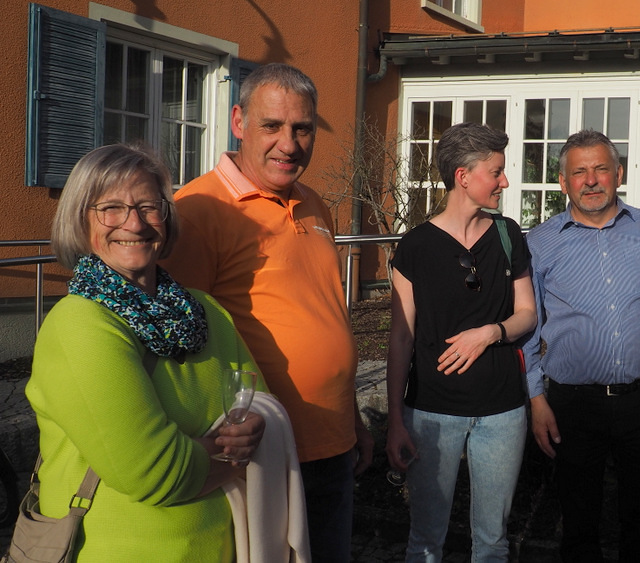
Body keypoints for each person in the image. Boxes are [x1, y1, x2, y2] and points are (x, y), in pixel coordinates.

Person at [160, 63, 373, 562]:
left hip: (332, 441)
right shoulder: (199, 210)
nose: (289, 144)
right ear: (238, 122)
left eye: (302, 128)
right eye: (272, 126)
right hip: (260, 450)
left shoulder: (314, 203)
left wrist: (354, 422)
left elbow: (326, 316)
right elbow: (175, 343)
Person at [26, 144, 266, 561]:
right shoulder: (79, 323)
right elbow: (158, 473)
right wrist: (235, 456)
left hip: (225, 547)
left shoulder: (205, 310)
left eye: (148, 207)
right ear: (80, 221)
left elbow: (261, 402)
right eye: (111, 208)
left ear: (166, 218)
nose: (134, 224)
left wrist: (259, 427)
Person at [522, 129, 640, 562]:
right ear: (563, 182)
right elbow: (529, 327)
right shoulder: (540, 242)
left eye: (601, 169)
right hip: (573, 405)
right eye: (579, 172)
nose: (591, 180)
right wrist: (535, 398)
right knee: (578, 526)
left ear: (618, 174)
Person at [385, 122, 536, 562]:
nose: (505, 182)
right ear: (463, 176)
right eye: (496, 172)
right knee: (425, 540)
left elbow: (527, 313)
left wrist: (490, 333)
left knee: (492, 542)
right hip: (431, 413)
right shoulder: (415, 246)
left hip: (503, 412)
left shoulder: (508, 234)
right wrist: (395, 420)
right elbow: (401, 338)